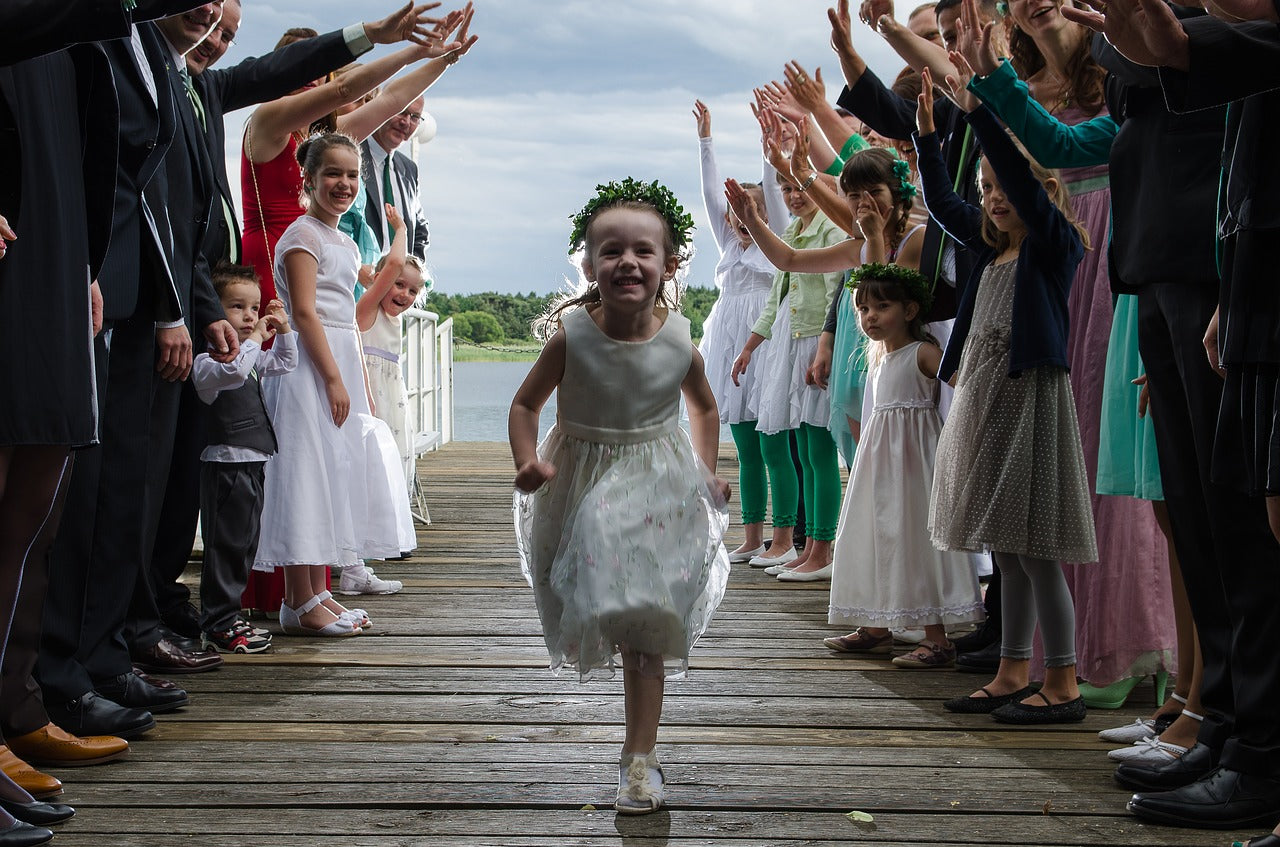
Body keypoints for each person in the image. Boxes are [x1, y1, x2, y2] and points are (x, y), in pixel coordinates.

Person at [146, 0, 440, 640]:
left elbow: (380, 105)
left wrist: (437, 57)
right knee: (261, 443)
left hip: (317, 298)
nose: (319, 89)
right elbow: (348, 85)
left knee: (315, 449)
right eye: (309, 75)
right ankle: (256, 589)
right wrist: (400, 47)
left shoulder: (316, 144)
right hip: (268, 288)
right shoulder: (270, 124)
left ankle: (307, 587)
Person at [1060, 0, 1280, 834]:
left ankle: (1253, 744)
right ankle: (1230, 725)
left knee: (1248, 527)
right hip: (1215, 262)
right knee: (1213, 516)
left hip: (1220, 269)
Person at [509, 178, 730, 815]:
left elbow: (706, 410)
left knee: (644, 623)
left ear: (669, 264)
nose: (627, 262)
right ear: (588, 262)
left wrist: (708, 471)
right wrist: (528, 460)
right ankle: (637, 743)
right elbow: (525, 404)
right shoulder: (571, 335)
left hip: (658, 480)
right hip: (580, 474)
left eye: (643, 251)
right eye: (610, 251)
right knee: (605, 594)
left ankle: (640, 761)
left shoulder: (681, 340)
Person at [915, 67, 1096, 724]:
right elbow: (940, 199)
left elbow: (1020, 180)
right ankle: (1012, 668)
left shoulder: (1052, 247)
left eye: (1002, 187)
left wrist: (984, 115)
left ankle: (1065, 681)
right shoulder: (989, 253)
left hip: (1030, 401)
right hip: (988, 401)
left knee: (1037, 546)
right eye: (985, 187)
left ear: (1040, 191)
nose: (992, 197)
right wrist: (928, 135)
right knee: (1007, 546)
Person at [253, 132, 415, 635]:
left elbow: (348, 311)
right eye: (333, 174)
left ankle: (317, 592)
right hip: (308, 366)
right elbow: (304, 312)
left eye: (351, 175)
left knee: (329, 473)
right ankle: (297, 600)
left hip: (339, 357)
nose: (343, 184)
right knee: (305, 472)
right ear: (309, 178)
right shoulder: (302, 237)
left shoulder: (343, 240)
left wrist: (354, 378)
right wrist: (332, 379)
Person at [822, 263, 984, 666]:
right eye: (863, 310)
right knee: (877, 534)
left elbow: (964, 387)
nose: (870, 316)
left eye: (881, 306)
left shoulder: (923, 353)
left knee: (915, 540)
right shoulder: (877, 359)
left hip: (916, 462)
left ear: (910, 311)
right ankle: (876, 625)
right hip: (880, 463)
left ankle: (937, 638)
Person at [725, 164, 845, 582]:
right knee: (808, 451)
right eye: (787, 188)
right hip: (789, 343)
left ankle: (822, 548)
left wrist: (826, 346)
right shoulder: (792, 234)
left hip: (816, 341)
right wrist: (749, 347)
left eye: (800, 187)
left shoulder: (831, 231)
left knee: (819, 451)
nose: (794, 196)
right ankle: (809, 548)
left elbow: (835, 292)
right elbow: (776, 301)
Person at [691, 99, 790, 564]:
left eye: (746, 207)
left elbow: (771, 184)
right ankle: (752, 537)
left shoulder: (779, 238)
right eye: (734, 209)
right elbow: (711, 195)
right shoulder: (729, 242)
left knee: (774, 448)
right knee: (747, 446)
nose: (736, 216)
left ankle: (786, 538)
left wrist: (767, 146)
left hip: (767, 343)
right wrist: (705, 140)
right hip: (729, 345)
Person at [193, 266, 297, 654]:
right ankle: (218, 621)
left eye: (254, 307)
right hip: (226, 462)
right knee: (226, 545)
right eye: (237, 307)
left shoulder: (250, 354)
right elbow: (235, 372)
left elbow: (286, 362)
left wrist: (283, 330)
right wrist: (254, 338)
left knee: (244, 543)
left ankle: (227, 616)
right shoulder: (208, 362)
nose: (250, 316)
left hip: (252, 461)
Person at [356, 205, 420, 503]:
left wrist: (374, 280)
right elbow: (393, 263)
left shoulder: (395, 317)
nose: (405, 295)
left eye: (413, 291)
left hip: (393, 402)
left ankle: (391, 526)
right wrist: (401, 229)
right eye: (398, 284)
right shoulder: (367, 312)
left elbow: (388, 274)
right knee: (372, 460)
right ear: (382, 280)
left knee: (395, 455)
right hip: (372, 402)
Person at [360, 97, 431, 260]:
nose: (406, 122)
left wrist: (413, 272)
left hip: (398, 282)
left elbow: (419, 232)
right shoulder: (351, 154)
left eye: (414, 117)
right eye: (401, 111)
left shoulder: (409, 169)